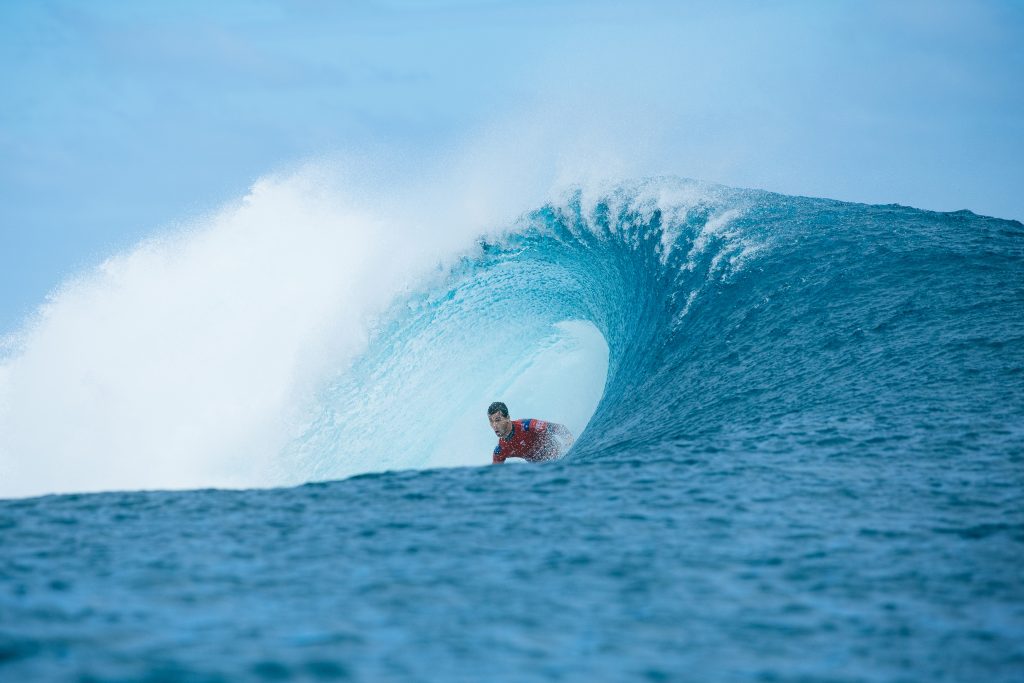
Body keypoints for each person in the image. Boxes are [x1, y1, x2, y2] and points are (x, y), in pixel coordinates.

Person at [487, 401, 574, 464]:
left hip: (561, 458)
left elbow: (559, 428)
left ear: (508, 418)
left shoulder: (527, 426)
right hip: (542, 471)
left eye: (498, 420)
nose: (494, 425)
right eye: (491, 421)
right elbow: (495, 475)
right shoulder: (501, 449)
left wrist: (569, 444)